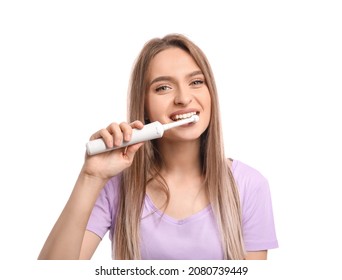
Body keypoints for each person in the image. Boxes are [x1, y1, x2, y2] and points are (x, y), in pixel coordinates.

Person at [38, 33, 278, 260]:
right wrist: (91, 177)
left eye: (196, 82)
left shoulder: (249, 186)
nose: (183, 98)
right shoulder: (115, 184)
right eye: (163, 87)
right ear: (143, 105)